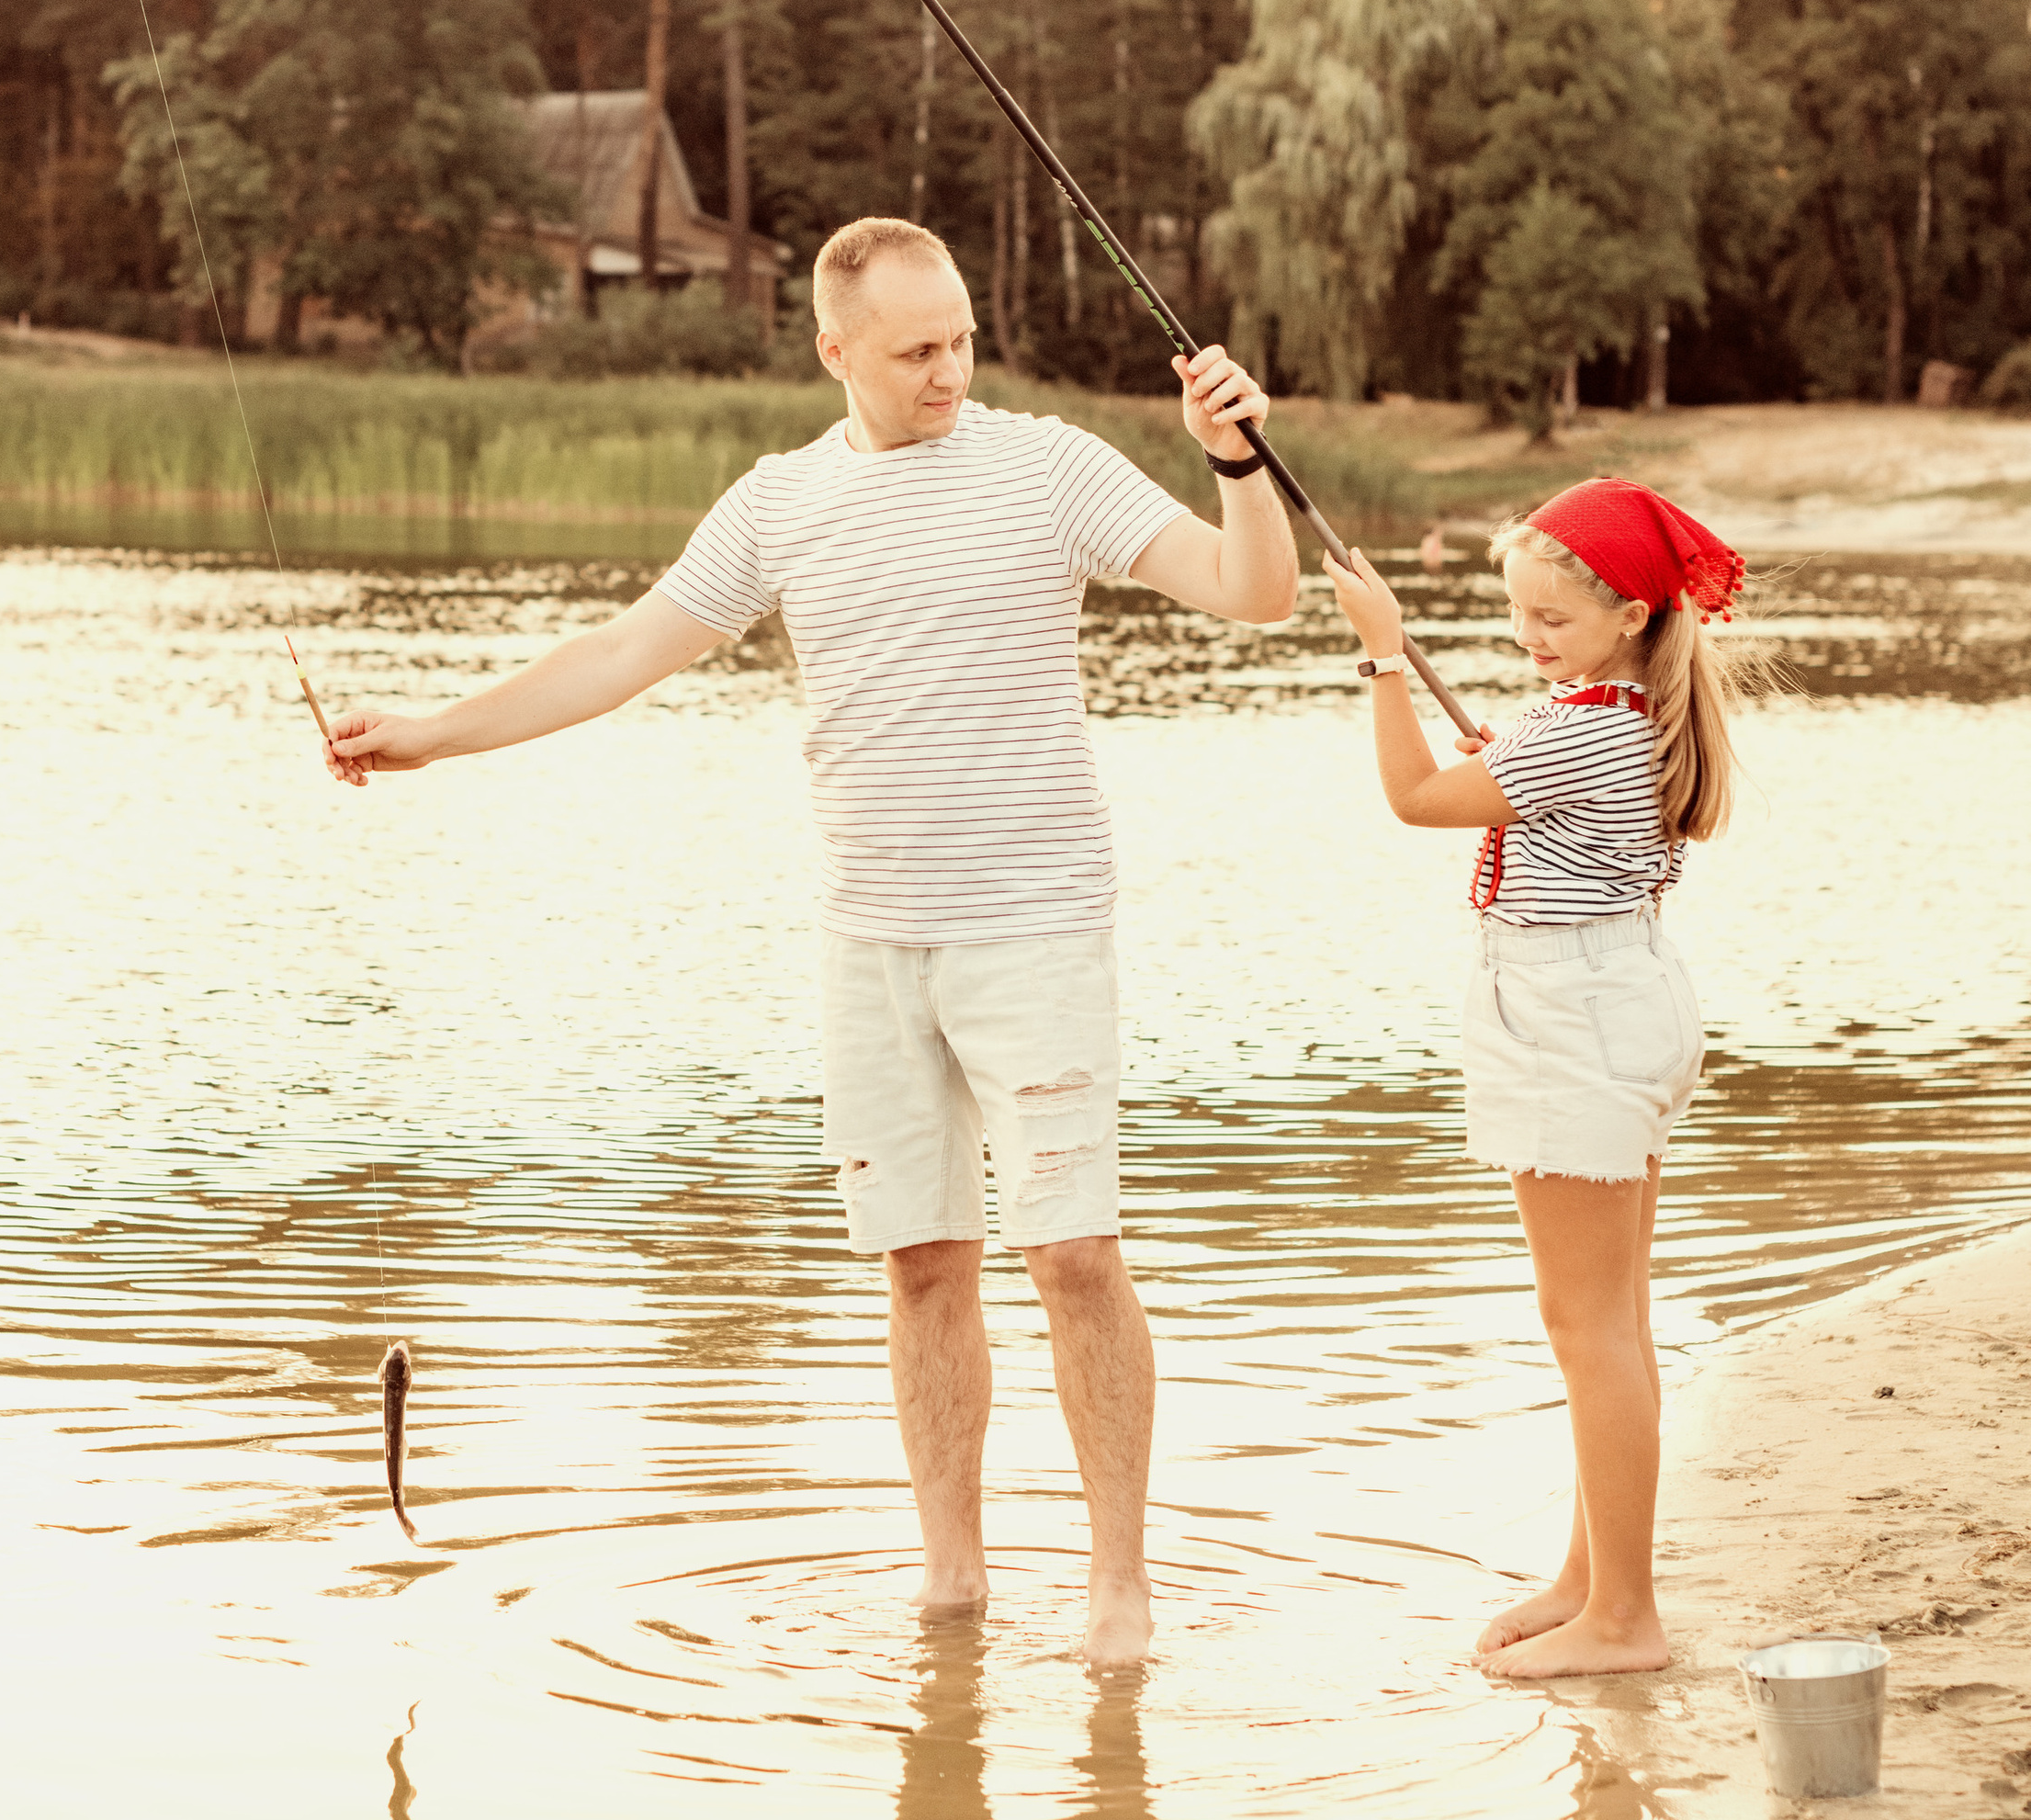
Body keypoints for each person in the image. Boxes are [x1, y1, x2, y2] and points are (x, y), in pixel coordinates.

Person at [323, 215, 1300, 1663]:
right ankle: (953, 1584)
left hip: (1032, 924)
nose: (949, 370)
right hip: (870, 943)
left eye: (962, 337)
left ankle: (1117, 1590)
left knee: (1075, 1254)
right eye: (916, 350)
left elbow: (1254, 593)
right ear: (834, 348)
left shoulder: (1048, 468)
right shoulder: (778, 505)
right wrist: (431, 738)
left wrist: (1238, 465)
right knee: (921, 1263)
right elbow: (619, 655)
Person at [1323, 480, 1750, 1679]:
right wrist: (1505, 758)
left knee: (1588, 1329)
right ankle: (1591, 1579)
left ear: (1629, 616)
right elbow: (1534, 791)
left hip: (1576, 1018)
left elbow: (1414, 801)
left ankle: (1627, 1621)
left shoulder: (1582, 728)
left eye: (1553, 620)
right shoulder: (1615, 711)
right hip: (1619, 1000)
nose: (1529, 637)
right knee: (1611, 1322)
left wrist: (1384, 659)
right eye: (1517, 615)